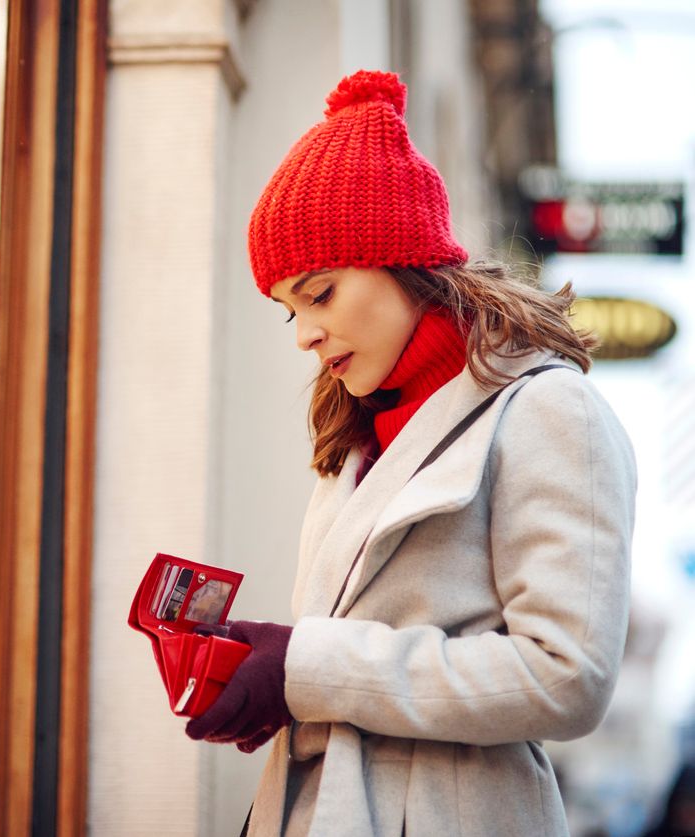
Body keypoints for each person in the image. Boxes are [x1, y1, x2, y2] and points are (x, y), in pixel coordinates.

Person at [183, 69, 638, 837]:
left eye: (320, 294)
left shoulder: (549, 410)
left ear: (403, 261)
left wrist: (305, 670)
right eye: (287, 308)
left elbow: (569, 676)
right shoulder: (358, 434)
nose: (303, 333)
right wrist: (267, 676)